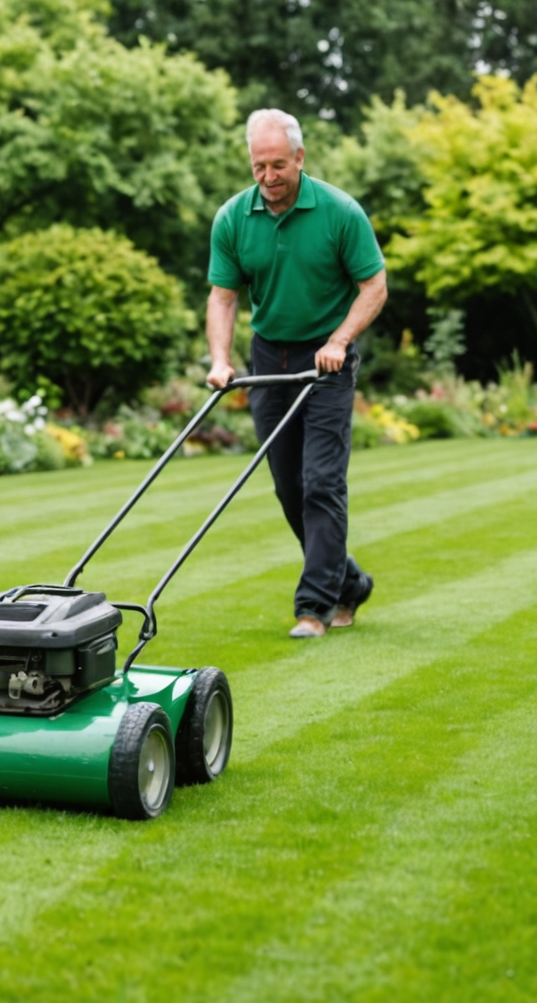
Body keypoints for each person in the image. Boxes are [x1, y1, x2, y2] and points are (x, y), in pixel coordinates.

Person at [205, 108, 388, 639]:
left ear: (300, 157)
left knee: (321, 484)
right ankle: (348, 583)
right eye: (259, 166)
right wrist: (220, 359)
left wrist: (339, 341)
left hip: (326, 360)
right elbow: (223, 297)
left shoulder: (338, 211)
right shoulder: (233, 218)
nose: (268, 177)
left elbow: (373, 287)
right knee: (289, 487)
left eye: (278, 165)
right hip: (270, 361)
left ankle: (314, 607)